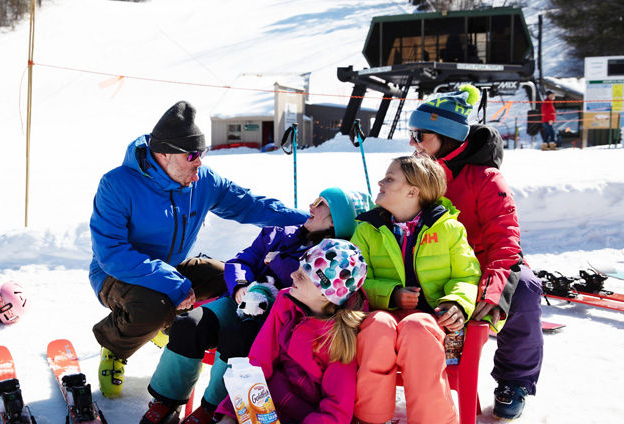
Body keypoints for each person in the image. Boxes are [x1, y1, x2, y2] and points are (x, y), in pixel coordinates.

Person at [89, 101, 309, 398]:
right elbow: (111, 254)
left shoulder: (201, 181)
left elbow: (251, 205)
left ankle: (181, 330)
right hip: (118, 274)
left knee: (231, 280)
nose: (199, 163)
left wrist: (310, 222)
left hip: (173, 265)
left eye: (202, 153)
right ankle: (115, 345)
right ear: (163, 153)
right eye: (192, 155)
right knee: (154, 307)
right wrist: (172, 283)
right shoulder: (117, 185)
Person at [140, 188, 372, 424]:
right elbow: (242, 260)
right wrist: (240, 286)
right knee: (190, 323)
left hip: (269, 318)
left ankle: (212, 408)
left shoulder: (333, 260)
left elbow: (304, 286)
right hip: (238, 302)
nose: (311, 206)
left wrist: (280, 260)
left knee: (239, 341)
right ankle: (166, 400)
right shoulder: (279, 235)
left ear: (337, 221)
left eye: (321, 203)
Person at [408, 84, 544, 420]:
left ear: (446, 136)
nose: (413, 143)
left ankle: (514, 380)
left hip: (487, 264)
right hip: (438, 262)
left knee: (525, 290)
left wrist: (493, 287)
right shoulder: (418, 173)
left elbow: (505, 240)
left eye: (420, 135)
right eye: (412, 134)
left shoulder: (486, 179)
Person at [351, 155, 480, 424]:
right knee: (377, 327)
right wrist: (392, 293)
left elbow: (466, 275)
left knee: (417, 327)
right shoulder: (367, 230)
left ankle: (434, 420)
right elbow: (356, 279)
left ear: (412, 191)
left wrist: (456, 303)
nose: (380, 182)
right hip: (383, 313)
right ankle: (372, 418)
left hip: (432, 321)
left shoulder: (448, 229)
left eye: (389, 178)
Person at [212, 238, 369, 424]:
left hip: (303, 417)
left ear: (325, 292)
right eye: (299, 267)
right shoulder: (286, 303)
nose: (293, 275)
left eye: (304, 275)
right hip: (262, 407)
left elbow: (335, 409)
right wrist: (231, 413)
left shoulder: (339, 337)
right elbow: (259, 362)